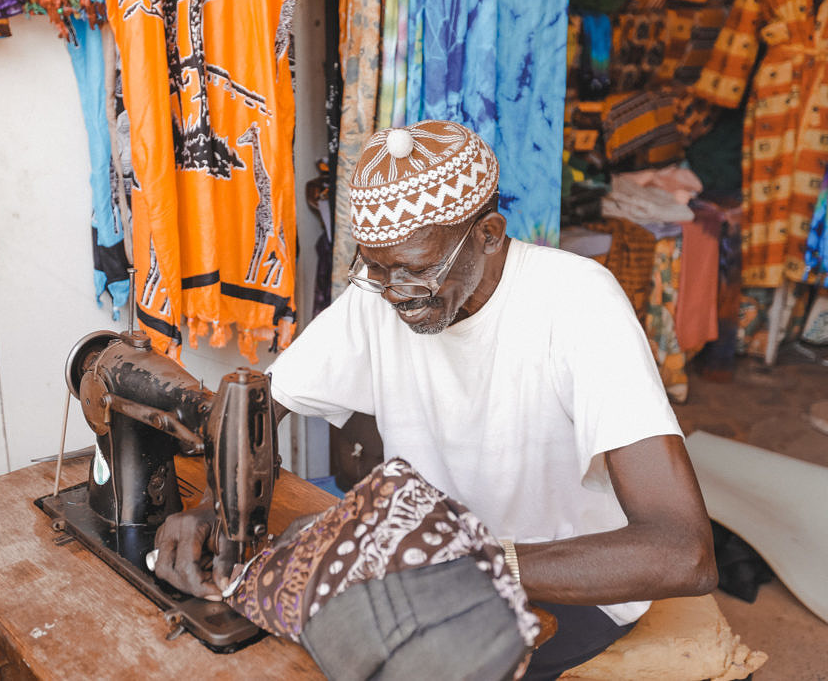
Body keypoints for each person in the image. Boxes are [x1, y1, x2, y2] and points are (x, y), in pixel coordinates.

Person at [154, 119, 717, 679]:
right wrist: (213, 506)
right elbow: (264, 405)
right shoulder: (381, 293)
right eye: (376, 270)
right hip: (430, 568)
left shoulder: (578, 303)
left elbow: (683, 552)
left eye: (416, 271)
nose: (396, 294)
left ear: (489, 235)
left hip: (568, 587)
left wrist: (471, 559)